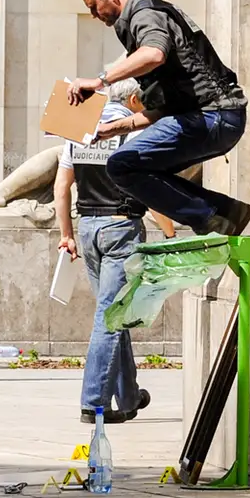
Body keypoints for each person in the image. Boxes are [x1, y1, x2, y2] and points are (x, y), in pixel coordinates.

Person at [68, 0, 250, 237]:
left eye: (94, 7)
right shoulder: (145, 19)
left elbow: (154, 54)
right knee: (140, 167)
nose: (94, 15)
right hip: (215, 118)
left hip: (213, 116)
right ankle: (227, 212)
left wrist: (99, 81)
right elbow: (164, 110)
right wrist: (111, 129)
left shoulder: (145, 15)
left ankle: (211, 216)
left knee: (121, 165)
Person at [56, 79, 155, 424]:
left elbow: (61, 186)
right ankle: (93, 401)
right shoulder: (138, 134)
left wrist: (66, 234)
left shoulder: (80, 127)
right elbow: (152, 188)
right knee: (109, 318)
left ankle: (128, 397)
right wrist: (171, 231)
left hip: (87, 228)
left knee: (114, 313)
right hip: (120, 227)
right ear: (133, 100)